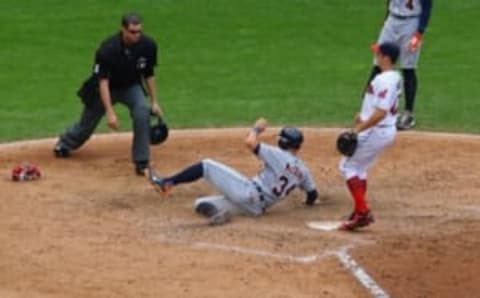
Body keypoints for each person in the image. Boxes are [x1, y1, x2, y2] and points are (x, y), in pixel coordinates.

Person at [145, 118, 319, 225]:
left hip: (247, 192)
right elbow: (312, 194)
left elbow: (250, 142)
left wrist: (256, 129)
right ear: (298, 146)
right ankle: (218, 215)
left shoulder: (278, 155)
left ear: (282, 142)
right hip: (257, 208)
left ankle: (167, 183)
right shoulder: (303, 170)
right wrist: (308, 203)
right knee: (200, 203)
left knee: (206, 165)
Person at [53, 13, 164, 175]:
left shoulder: (148, 45)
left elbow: (149, 74)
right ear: (123, 30)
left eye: (139, 31)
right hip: (105, 88)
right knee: (86, 124)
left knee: (142, 111)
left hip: (130, 86)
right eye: (133, 32)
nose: (137, 35)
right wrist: (110, 113)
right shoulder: (108, 49)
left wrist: (154, 101)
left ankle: (141, 161)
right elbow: (103, 81)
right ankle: (65, 143)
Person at [339, 42, 402, 231]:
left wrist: (359, 128)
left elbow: (381, 113)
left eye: (379, 53)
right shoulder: (394, 77)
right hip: (383, 129)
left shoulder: (384, 80)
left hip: (376, 130)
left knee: (347, 166)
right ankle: (359, 209)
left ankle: (362, 213)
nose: (376, 56)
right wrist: (363, 115)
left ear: (386, 58)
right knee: (361, 167)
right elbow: (378, 107)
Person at [365, 0, 432, 130]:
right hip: (391, 21)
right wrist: (386, 19)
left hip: (411, 23)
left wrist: (419, 32)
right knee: (378, 64)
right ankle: (368, 109)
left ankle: (408, 114)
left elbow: (427, 6)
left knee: (408, 68)